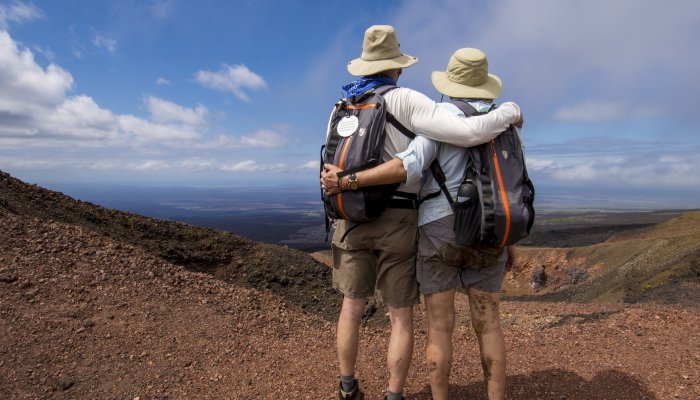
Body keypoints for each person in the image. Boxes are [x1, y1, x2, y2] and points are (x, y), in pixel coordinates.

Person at [323, 26, 522, 400]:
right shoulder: (492, 121)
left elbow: (405, 162)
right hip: (466, 226)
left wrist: (348, 183)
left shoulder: (343, 107)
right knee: (482, 322)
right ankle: (399, 394)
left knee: (376, 313)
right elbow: (502, 175)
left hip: (386, 223)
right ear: (397, 67)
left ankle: (348, 386)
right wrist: (511, 110)